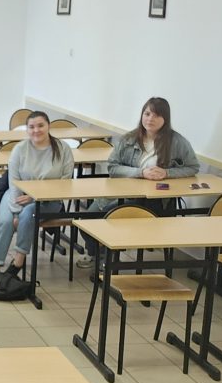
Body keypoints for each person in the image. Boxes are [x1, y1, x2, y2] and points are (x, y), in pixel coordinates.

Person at [76, 97, 199, 268]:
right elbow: (113, 167)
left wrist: (167, 173)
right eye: (147, 114)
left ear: (165, 118)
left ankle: (108, 260)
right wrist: (140, 173)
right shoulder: (129, 139)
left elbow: (193, 167)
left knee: (111, 218)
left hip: (155, 201)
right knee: (87, 218)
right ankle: (97, 254)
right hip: (122, 193)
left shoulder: (177, 141)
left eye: (156, 115)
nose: (150, 119)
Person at [0, 111, 74, 274]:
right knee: (5, 221)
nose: (36, 130)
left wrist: (34, 196)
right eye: (31, 127)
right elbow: (14, 182)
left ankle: (18, 262)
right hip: (18, 194)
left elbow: (65, 183)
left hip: (49, 200)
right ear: (27, 129)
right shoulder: (20, 149)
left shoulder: (63, 149)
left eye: (41, 125)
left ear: (48, 126)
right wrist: (15, 213)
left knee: (28, 213)